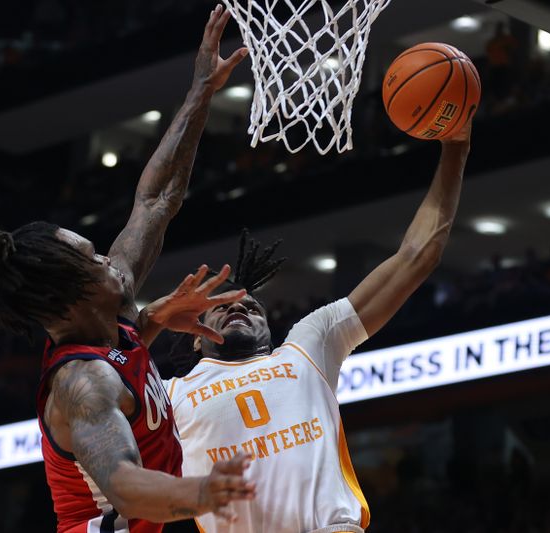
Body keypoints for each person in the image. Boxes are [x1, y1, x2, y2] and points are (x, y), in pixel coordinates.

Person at [0, 6, 256, 532]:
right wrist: (203, 491)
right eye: (92, 259)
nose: (109, 259)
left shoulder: (107, 309)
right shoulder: (83, 384)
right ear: (73, 295)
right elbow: (124, 485)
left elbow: (157, 200)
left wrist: (201, 90)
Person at [165, 121, 473, 532]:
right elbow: (104, 369)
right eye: (221, 306)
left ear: (269, 326)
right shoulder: (170, 394)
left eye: (251, 306)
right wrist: (149, 320)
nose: (240, 308)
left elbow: (416, 256)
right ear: (194, 335)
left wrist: (456, 149)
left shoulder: (308, 347)